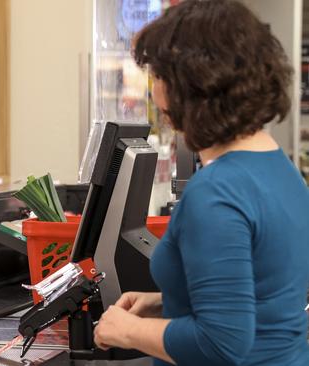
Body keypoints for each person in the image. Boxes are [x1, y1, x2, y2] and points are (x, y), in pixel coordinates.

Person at [93, 1, 309, 365]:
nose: (155, 89)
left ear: (194, 85)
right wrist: (168, 300)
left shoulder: (214, 193)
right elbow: (262, 292)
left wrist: (124, 329)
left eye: (160, 75)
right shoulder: (280, 168)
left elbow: (220, 343)